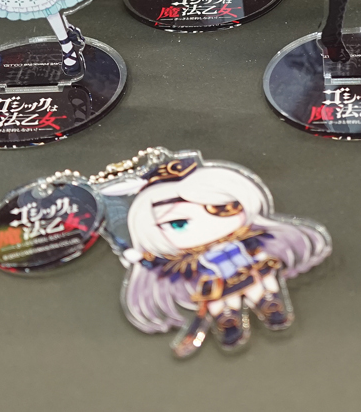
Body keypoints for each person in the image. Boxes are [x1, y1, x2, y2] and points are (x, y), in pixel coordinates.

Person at [100, 152, 331, 358]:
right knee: (224, 305)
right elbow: (163, 265)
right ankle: (228, 323)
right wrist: (142, 257)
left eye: (224, 209)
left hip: (252, 270)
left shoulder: (249, 239)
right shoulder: (186, 261)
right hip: (217, 284)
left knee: (263, 289)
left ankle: (271, 306)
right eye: (178, 224)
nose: (208, 226)